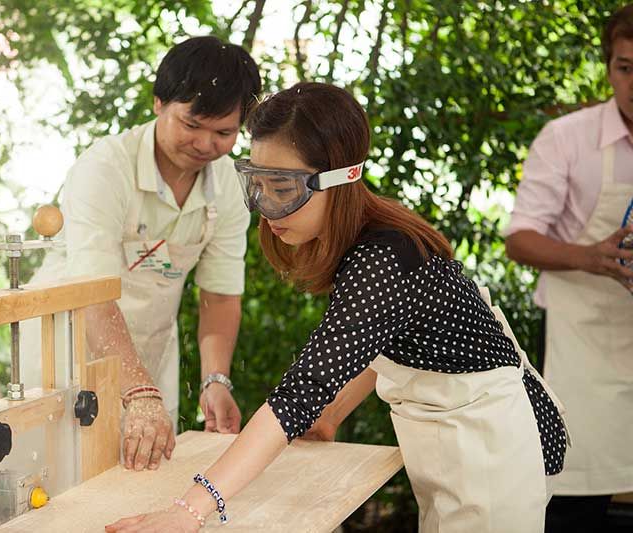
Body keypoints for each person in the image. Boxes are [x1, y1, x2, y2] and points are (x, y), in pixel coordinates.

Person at [105, 82, 569, 533]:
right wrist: (331, 415)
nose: (266, 207)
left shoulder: (382, 258)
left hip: (495, 443)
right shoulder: (363, 238)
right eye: (257, 184)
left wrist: (188, 512)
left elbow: (301, 393)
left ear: (340, 179)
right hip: (460, 440)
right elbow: (378, 343)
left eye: (283, 188)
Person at [21, 36, 262, 471]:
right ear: (158, 103)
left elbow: (219, 295)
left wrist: (215, 380)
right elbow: (93, 294)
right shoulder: (104, 168)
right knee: (56, 487)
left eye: (224, 133)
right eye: (192, 124)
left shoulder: (229, 185)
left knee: (144, 484)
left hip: (149, 359)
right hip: (63, 356)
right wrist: (138, 392)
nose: (205, 144)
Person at [504, 5, 633, 531]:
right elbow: (519, 239)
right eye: (626, 67)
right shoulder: (567, 138)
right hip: (581, 348)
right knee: (574, 499)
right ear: (609, 67)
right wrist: (591, 256)